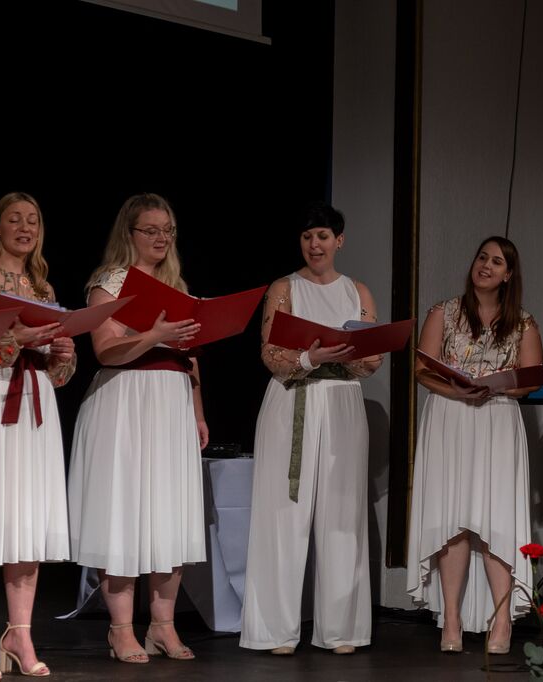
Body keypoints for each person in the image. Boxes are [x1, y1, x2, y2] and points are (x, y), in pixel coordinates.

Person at [68, 193, 208, 664]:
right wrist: (154, 336)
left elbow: (190, 358)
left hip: (170, 402)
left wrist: (198, 412)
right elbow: (105, 350)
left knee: (168, 514)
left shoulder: (177, 286)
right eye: (151, 230)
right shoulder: (110, 283)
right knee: (123, 513)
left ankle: (163, 627)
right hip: (125, 400)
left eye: (167, 230)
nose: (161, 238)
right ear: (128, 234)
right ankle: (121, 630)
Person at [240, 203, 380, 656]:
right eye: (307, 237)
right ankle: (275, 630)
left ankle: (341, 629)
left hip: (342, 402)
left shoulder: (358, 290)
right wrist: (310, 357)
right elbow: (270, 353)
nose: (314, 245)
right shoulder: (284, 288)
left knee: (342, 515)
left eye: (322, 236)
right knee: (284, 513)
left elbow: (371, 359)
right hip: (294, 399)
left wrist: (350, 353)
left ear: (339, 241)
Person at [0, 192, 76, 680]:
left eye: (33, 221)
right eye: (15, 220)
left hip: (34, 402)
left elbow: (59, 373)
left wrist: (62, 353)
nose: (25, 228)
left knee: (26, 519)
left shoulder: (42, 287)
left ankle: (19, 634)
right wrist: (16, 338)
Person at [407, 236, 543, 655]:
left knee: (496, 521)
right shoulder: (443, 312)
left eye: (496, 261)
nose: (485, 265)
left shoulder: (523, 322)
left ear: (508, 274)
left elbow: (532, 379)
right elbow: (421, 369)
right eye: (482, 257)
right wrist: (456, 390)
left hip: (497, 418)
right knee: (453, 519)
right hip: (449, 417)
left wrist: (499, 386)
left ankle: (501, 621)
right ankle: (451, 618)